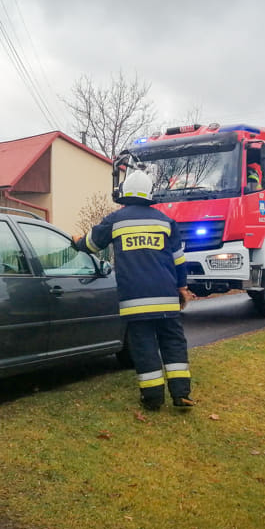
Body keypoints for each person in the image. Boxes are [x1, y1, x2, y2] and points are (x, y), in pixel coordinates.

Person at [72, 167, 195, 411]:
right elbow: (179, 260)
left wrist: (76, 241)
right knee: (173, 343)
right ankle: (181, 394)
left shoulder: (116, 220)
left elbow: (91, 244)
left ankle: (153, 399)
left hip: (135, 301)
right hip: (167, 296)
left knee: (144, 346)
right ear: (149, 194)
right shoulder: (165, 222)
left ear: (125, 194)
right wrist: (182, 288)